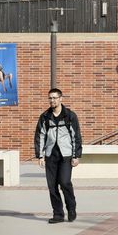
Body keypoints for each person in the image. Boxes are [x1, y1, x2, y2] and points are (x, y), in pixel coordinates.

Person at [35, 88, 82, 223]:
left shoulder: (69, 115)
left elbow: (76, 137)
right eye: (50, 98)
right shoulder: (45, 116)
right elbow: (40, 136)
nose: (52, 100)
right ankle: (58, 214)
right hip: (51, 155)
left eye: (55, 98)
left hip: (66, 155)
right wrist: (40, 156)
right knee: (52, 186)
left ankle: (71, 208)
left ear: (61, 99)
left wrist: (76, 155)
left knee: (65, 182)